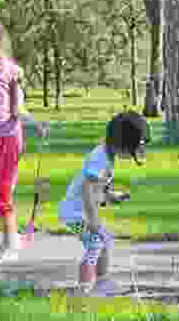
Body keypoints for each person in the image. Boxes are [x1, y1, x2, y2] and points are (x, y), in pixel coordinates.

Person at [0, 23, 51, 265]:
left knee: (0, 193)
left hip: (7, 139)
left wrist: (36, 125)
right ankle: (12, 239)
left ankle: (9, 246)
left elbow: (17, 107)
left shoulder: (12, 71)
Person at [58, 111, 148, 296]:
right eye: (130, 152)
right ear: (121, 145)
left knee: (105, 239)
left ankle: (102, 282)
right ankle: (83, 290)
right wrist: (93, 219)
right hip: (75, 213)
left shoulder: (107, 156)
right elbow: (87, 189)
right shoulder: (100, 159)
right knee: (95, 243)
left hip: (82, 210)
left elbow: (99, 189)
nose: (131, 157)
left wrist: (112, 196)